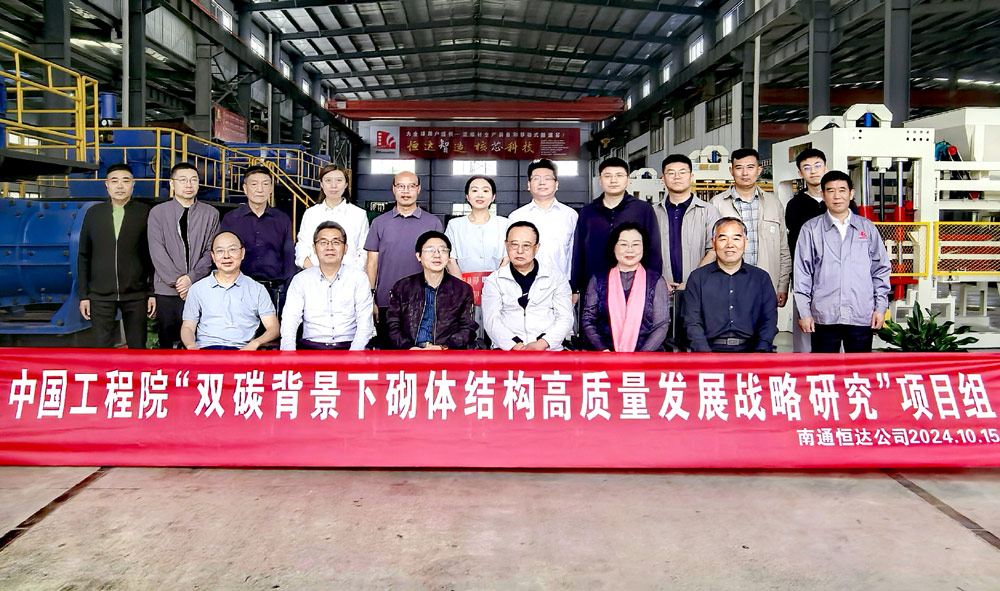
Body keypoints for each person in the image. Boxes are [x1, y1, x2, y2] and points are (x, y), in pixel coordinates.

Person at [794, 171, 891, 353]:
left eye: (842, 190)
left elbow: (880, 270)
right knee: (824, 369)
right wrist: (804, 313)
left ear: (851, 193)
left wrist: (880, 308)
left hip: (861, 314)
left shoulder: (867, 228)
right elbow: (802, 274)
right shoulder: (811, 229)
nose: (837, 196)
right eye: (830, 191)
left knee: (859, 368)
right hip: (824, 315)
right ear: (823, 195)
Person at [784, 148, 858, 352]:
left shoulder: (845, 203)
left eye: (818, 166)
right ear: (800, 173)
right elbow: (791, 242)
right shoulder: (795, 205)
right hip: (806, 278)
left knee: (838, 334)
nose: (813, 171)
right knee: (804, 334)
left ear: (826, 167)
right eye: (807, 167)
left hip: (839, 280)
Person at [77, 163, 155, 348]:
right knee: (102, 348)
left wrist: (152, 293)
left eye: (125, 181)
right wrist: (84, 296)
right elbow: (84, 255)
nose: (120, 186)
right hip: (100, 296)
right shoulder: (93, 214)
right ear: (107, 185)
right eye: (114, 181)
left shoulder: (145, 213)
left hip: (136, 295)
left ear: (133, 184)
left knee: (138, 347)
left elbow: (153, 256)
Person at [364, 171, 444, 346]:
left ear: (418, 189)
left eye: (411, 186)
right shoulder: (379, 223)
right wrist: (370, 299)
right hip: (386, 301)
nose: (406, 191)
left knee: (421, 354)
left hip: (425, 302)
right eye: (400, 186)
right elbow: (372, 263)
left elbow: (440, 262)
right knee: (388, 353)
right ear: (393, 189)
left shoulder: (433, 223)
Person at [148, 162, 220, 349]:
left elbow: (211, 251)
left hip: (199, 287)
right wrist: (178, 281)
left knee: (197, 340)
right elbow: (157, 250)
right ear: (172, 184)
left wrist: (192, 278)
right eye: (183, 180)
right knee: (167, 340)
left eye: (193, 180)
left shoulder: (210, 214)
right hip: (167, 290)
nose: (189, 185)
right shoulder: (158, 213)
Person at [653, 154, 721, 345]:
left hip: (698, 292)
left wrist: (692, 281)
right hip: (661, 291)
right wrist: (658, 281)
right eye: (671, 172)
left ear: (691, 176)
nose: (677, 176)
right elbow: (644, 251)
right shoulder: (652, 212)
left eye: (682, 172)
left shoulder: (708, 211)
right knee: (660, 344)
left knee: (696, 344)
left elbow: (714, 249)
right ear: (663, 178)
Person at [710, 148, 791, 308]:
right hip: (726, 285)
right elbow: (710, 249)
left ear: (759, 170)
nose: (745, 173)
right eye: (739, 167)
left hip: (765, 285)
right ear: (731, 171)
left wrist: (783, 285)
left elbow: (783, 248)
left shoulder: (774, 203)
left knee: (765, 324)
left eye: (750, 167)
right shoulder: (716, 204)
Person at [683, 217, 778, 353]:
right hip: (709, 350)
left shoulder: (761, 278)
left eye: (736, 238)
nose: (730, 244)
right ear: (713, 243)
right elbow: (692, 322)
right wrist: (705, 355)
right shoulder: (697, 278)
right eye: (723, 239)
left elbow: (769, 320)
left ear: (745, 242)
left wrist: (759, 353)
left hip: (752, 352)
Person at [572, 157, 662, 297]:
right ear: (600, 180)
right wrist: (576, 288)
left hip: (634, 288)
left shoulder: (643, 209)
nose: (613, 180)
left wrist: (654, 284)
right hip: (594, 288)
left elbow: (653, 249)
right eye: (607, 176)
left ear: (627, 179)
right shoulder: (587, 212)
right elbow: (579, 251)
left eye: (619, 175)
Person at [280, 221, 374, 351]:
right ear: (314, 248)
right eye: (323, 242)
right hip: (311, 348)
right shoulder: (301, 280)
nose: (330, 247)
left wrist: (354, 354)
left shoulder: (359, 278)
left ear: (345, 248)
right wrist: (288, 354)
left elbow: (365, 322)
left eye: (336, 242)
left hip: (349, 347)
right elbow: (290, 320)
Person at [481, 221, 574, 351]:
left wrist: (542, 343)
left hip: (548, 349)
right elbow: (491, 321)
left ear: (536, 248)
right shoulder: (494, 281)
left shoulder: (557, 279)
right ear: (506, 245)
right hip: (507, 350)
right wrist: (516, 345)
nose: (520, 251)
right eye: (514, 245)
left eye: (526, 246)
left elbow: (565, 318)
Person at [180, 231, 278, 350]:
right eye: (220, 251)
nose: (226, 256)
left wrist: (255, 343)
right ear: (213, 256)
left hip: (242, 351)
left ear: (242, 253)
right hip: (206, 350)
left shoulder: (257, 289)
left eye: (232, 249)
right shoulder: (197, 289)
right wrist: (191, 346)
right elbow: (188, 327)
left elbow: (273, 328)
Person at [581, 223, 669, 352]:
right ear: (613, 247)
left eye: (636, 244)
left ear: (643, 248)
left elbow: (661, 324)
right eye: (623, 244)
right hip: (605, 354)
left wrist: (642, 355)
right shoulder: (598, 279)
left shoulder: (656, 280)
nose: (630, 250)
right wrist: (603, 349)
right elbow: (588, 319)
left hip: (647, 354)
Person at [220, 165, 294, 314]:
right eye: (254, 184)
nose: (260, 189)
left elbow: (288, 257)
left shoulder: (282, 219)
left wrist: (289, 291)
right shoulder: (231, 219)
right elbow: (222, 255)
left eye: (265, 184)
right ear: (245, 188)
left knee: (273, 328)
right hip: (239, 290)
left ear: (271, 188)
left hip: (274, 290)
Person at [386, 231, 477, 350]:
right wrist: (408, 347)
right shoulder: (403, 287)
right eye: (430, 250)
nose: (437, 255)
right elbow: (392, 325)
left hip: (445, 353)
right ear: (418, 256)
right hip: (409, 352)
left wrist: (443, 347)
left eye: (443, 250)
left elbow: (468, 328)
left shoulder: (462, 290)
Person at [507, 159, 577, 280]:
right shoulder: (516, 216)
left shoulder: (570, 215)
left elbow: (575, 253)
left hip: (561, 284)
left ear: (556, 184)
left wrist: (574, 285)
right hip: (524, 283)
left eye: (547, 178)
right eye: (536, 179)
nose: (542, 183)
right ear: (528, 185)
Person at [295, 164, 369, 271]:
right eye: (328, 180)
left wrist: (350, 275)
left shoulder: (359, 214)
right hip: (314, 275)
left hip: (349, 277)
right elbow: (302, 247)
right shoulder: (311, 214)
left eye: (339, 180)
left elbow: (364, 251)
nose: (333, 185)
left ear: (346, 184)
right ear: (321, 184)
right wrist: (315, 273)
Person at [445, 175, 509, 275]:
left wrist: (496, 282)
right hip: (462, 282)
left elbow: (507, 257)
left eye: (485, 191)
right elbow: (450, 259)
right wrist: (461, 284)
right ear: (467, 196)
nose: (480, 195)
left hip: (498, 282)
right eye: (474, 190)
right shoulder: (455, 225)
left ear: (493, 197)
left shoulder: (504, 224)